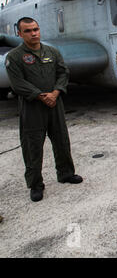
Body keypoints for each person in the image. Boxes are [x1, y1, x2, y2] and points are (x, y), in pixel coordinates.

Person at [5, 17, 83, 202]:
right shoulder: (14, 57)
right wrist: (41, 95)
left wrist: (55, 93)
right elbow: (18, 84)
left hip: (54, 104)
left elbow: (63, 72)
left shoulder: (52, 52)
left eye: (36, 29)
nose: (34, 33)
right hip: (32, 108)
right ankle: (36, 184)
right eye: (28, 31)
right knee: (32, 147)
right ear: (19, 34)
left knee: (62, 140)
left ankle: (65, 173)